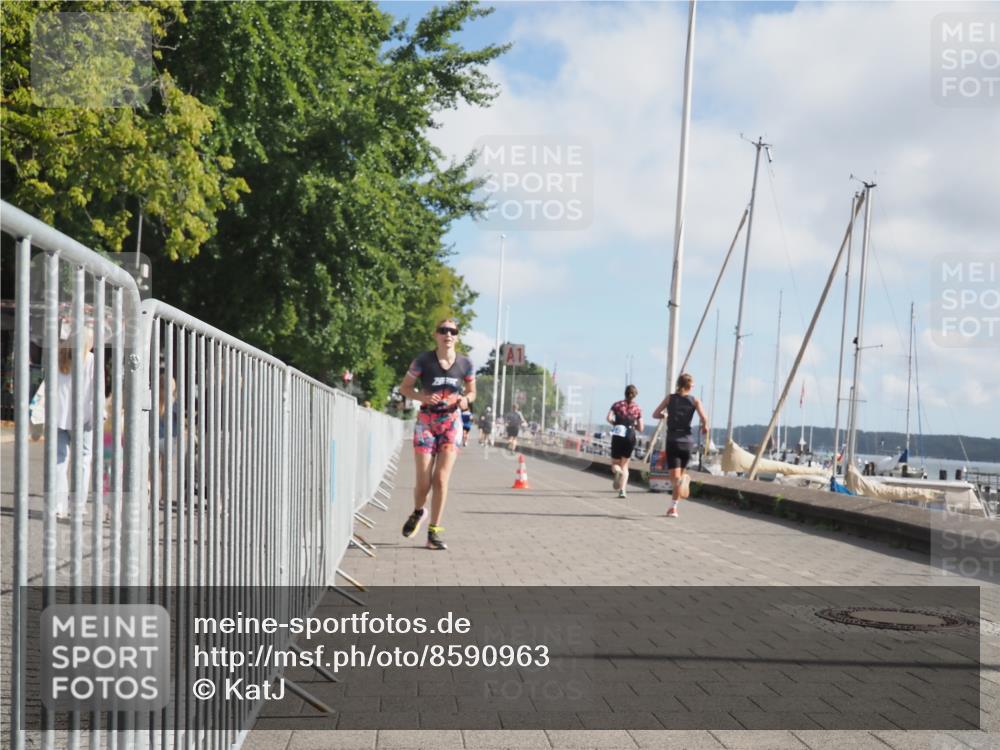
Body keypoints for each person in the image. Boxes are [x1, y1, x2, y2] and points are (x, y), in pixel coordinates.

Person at [398, 318, 475, 550]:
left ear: (457, 337)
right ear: (436, 335)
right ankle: (418, 512)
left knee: (441, 479)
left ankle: (434, 532)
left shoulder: (465, 363)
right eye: (443, 330)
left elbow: (472, 392)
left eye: (453, 331)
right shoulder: (423, 360)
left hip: (451, 423)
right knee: (423, 483)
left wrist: (465, 400)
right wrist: (422, 397)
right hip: (426, 422)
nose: (448, 334)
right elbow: (404, 388)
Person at [652, 372, 708, 518]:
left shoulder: (670, 398)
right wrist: (705, 427)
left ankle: (679, 490)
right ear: (690, 385)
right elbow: (704, 417)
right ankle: (673, 508)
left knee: (675, 479)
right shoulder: (695, 400)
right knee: (679, 477)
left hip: (673, 441)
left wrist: (665, 415)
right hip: (687, 442)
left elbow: (655, 414)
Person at [54, 327, 96, 520]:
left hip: (59, 415)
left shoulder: (59, 357)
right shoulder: (91, 359)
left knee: (59, 460)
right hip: (83, 417)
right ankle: (77, 505)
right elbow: (95, 389)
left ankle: (58, 505)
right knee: (83, 460)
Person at [606, 385, 644, 499]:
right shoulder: (637, 408)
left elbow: (608, 418)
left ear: (625, 393)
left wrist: (616, 423)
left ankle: (618, 471)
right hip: (630, 435)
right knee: (625, 465)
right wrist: (633, 426)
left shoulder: (616, 405)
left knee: (615, 464)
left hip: (618, 433)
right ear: (635, 395)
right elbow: (641, 428)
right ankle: (622, 491)